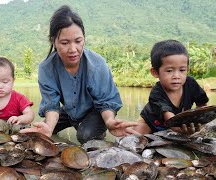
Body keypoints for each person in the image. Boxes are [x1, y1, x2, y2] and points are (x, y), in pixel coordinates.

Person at [19, 5, 139, 144]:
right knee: (43, 130)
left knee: (85, 136)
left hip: (96, 110)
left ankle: (97, 131)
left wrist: (110, 121)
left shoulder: (97, 64)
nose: (73, 49)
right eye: (65, 42)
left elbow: (105, 101)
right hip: (69, 110)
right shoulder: (46, 68)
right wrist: (49, 128)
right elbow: (51, 104)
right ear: (54, 41)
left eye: (78, 41)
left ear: (84, 38)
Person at [134, 40, 209, 135]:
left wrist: (198, 120)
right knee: (135, 139)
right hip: (150, 122)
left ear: (187, 69)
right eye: (169, 71)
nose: (176, 76)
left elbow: (202, 104)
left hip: (176, 122)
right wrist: (182, 129)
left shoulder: (191, 84)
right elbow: (171, 122)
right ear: (155, 72)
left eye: (182, 70)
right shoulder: (156, 93)